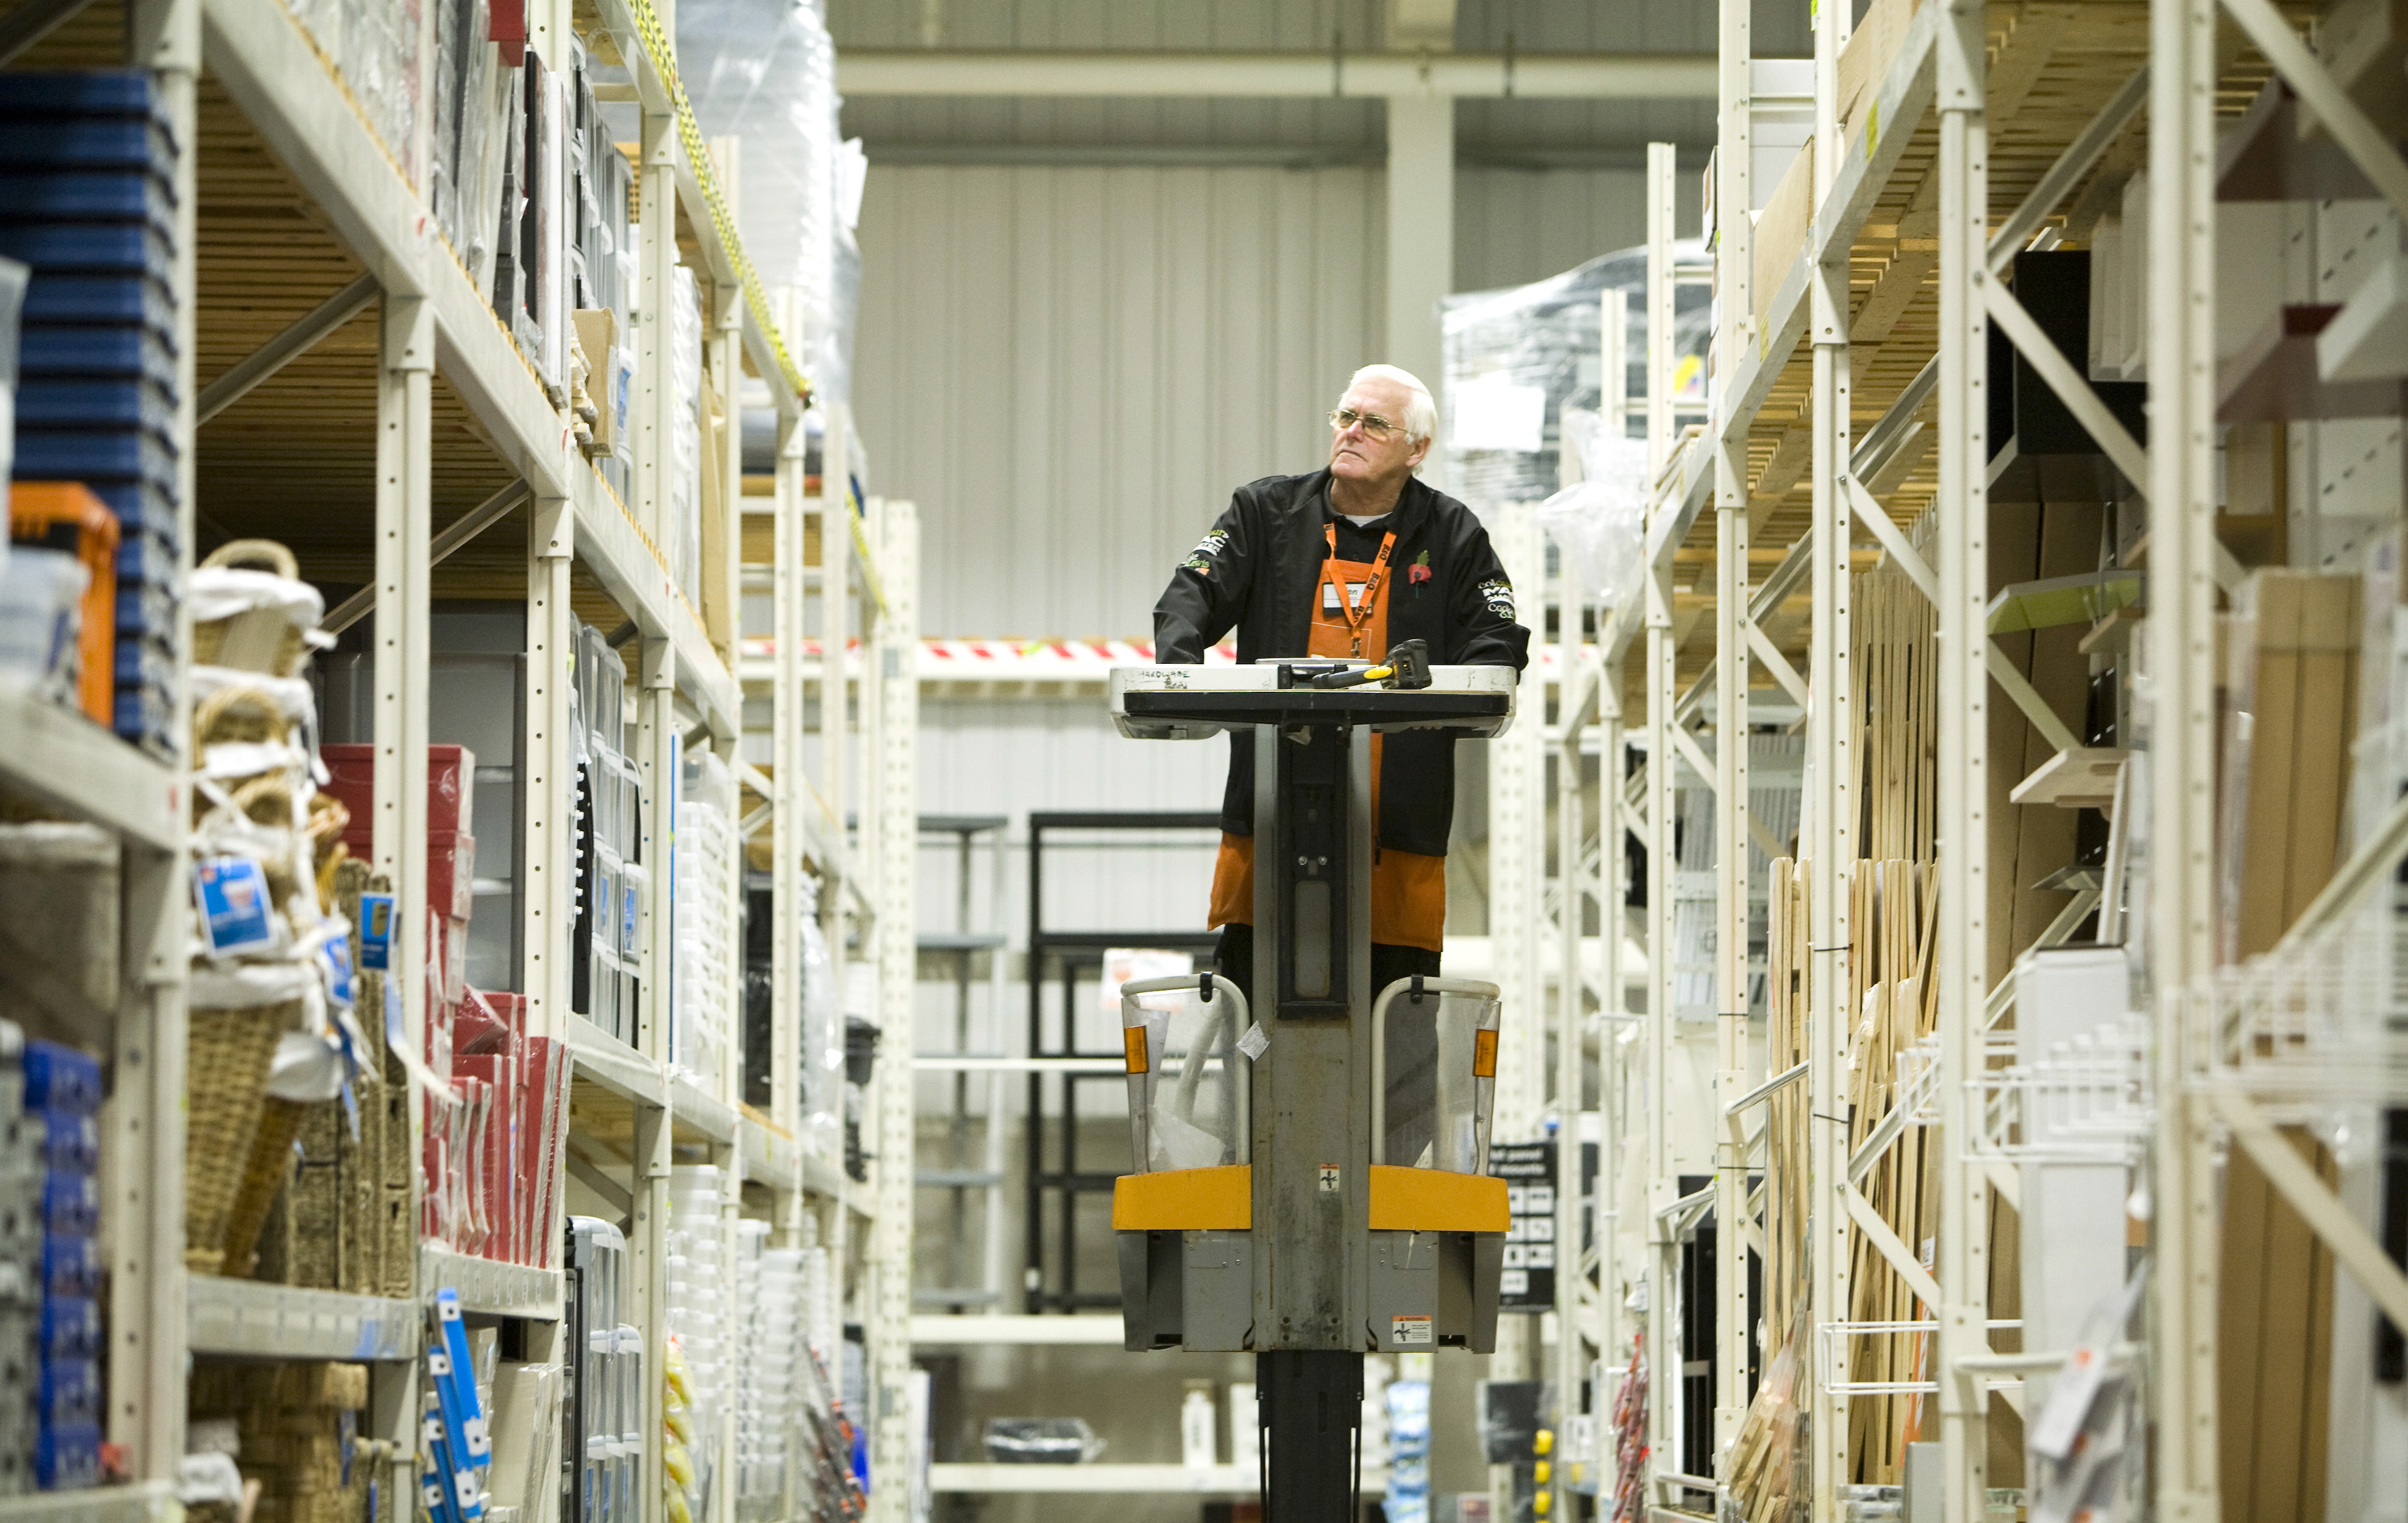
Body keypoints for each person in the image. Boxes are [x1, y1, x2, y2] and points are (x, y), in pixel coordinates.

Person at [1152, 364, 1531, 1155]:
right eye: (1345, 415)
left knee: (1399, 1064)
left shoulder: (1454, 535)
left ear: (1417, 449)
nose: (1349, 432)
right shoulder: (1265, 513)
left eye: (1373, 424)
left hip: (1399, 847)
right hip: (1270, 839)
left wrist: (1462, 673)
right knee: (1255, 1049)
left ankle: (1381, 1213)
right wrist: (1178, 657)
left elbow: (1500, 635)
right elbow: (1194, 586)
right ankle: (1253, 1180)